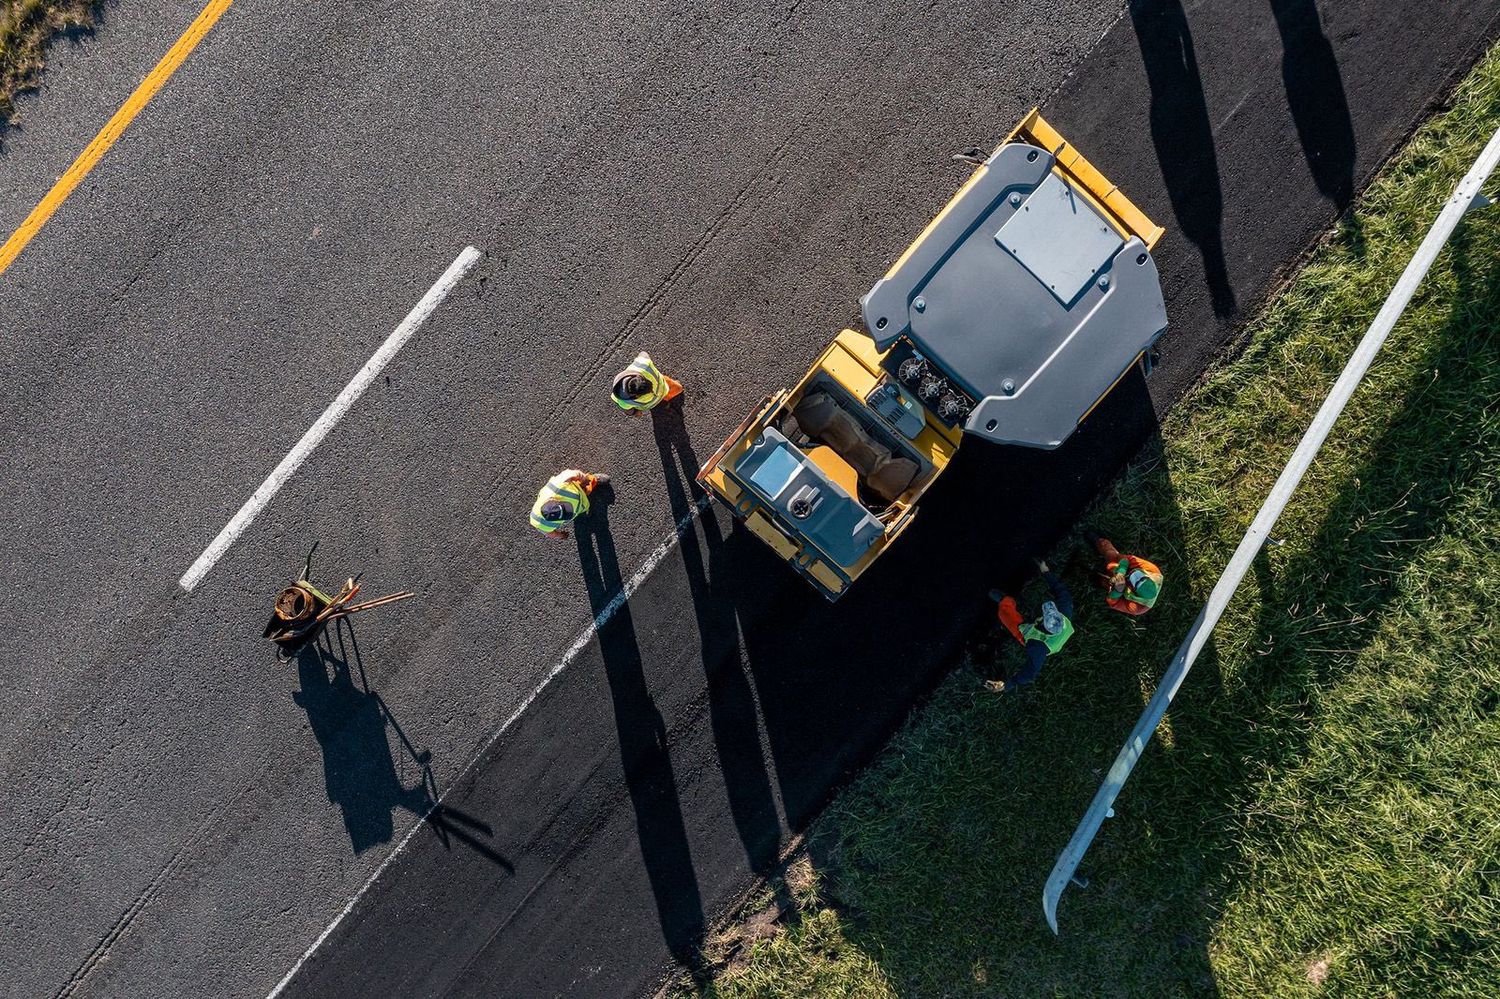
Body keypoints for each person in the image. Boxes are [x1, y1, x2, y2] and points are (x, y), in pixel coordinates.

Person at [986, 559, 1075, 693]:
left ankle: (1004, 601)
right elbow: (1061, 591)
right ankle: (1008, 602)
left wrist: (1006, 685)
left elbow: (1030, 672)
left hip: (1031, 636)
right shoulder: (1065, 611)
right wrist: (1046, 572)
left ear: (1044, 626)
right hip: (1041, 633)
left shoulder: (1037, 649)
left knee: (1008, 617)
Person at [1083, 528, 1163, 616]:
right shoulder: (1153, 571)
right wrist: (1121, 571)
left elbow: (1114, 603)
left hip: (1119, 589)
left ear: (1135, 592)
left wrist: (1118, 590)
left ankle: (1097, 579)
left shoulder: (1138, 608)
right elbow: (1127, 558)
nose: (1134, 576)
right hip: (1122, 568)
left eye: (1134, 582)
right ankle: (1100, 542)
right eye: (1142, 577)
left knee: (1105, 582)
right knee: (1112, 556)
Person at [530, 469, 609, 538]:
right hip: (579, 504)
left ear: (552, 499)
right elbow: (551, 534)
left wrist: (584, 479)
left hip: (577, 488)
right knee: (582, 508)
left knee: (586, 485)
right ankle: (584, 510)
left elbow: (573, 473)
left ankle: (594, 479)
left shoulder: (558, 485)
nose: (569, 510)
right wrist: (559, 535)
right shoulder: (543, 525)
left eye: (565, 507)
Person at [611, 351, 684, 414]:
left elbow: (628, 410)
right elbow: (643, 354)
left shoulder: (625, 402)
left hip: (651, 402)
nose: (651, 390)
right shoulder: (644, 365)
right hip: (663, 385)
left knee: (678, 388)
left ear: (639, 377)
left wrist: (635, 412)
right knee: (677, 388)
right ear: (636, 396)